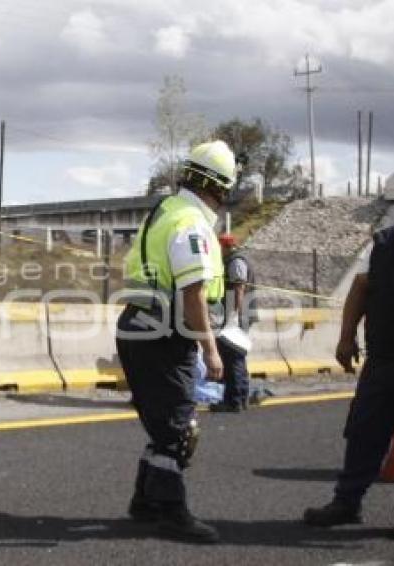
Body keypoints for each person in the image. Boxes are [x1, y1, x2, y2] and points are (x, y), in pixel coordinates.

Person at [118, 140, 237, 544]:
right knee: (178, 427)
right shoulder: (192, 223)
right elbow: (193, 293)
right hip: (164, 338)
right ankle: (172, 512)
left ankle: (145, 501)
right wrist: (212, 350)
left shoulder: (165, 211)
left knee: (165, 423)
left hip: (138, 326)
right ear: (219, 187)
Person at [303, 216, 394, 538]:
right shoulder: (387, 241)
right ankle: (346, 503)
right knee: (363, 433)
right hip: (383, 360)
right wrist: (346, 337)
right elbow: (362, 285)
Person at [209, 233, 254, 412]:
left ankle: (234, 400)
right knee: (237, 358)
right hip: (236, 316)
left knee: (231, 358)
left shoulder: (235, 262)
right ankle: (241, 397)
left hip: (235, 317)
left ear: (225, 247)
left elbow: (238, 289)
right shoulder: (234, 260)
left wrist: (234, 315)